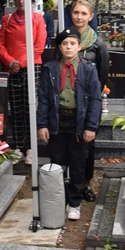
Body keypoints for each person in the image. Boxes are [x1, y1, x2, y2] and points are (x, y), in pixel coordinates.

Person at [37, 29, 103, 221]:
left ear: (79, 47)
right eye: (65, 43)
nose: (68, 47)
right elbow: (43, 99)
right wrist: (42, 124)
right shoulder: (50, 68)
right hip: (57, 121)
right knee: (57, 163)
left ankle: (74, 203)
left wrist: (91, 126)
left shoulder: (88, 68)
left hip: (79, 122)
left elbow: (95, 99)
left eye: (72, 43)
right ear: (59, 46)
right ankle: (58, 200)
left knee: (77, 163)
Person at [0, 0, 47, 165]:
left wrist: (22, 63)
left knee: (29, 107)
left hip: (32, 67)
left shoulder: (38, 19)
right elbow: (0, 44)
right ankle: (17, 145)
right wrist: (10, 62)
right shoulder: (7, 19)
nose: (21, 1)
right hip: (11, 68)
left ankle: (31, 147)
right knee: (15, 109)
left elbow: (39, 45)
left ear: (32, 1)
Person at [70, 0, 110, 202]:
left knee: (87, 145)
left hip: (88, 102)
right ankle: (70, 183)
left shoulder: (97, 44)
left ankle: (86, 183)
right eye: (76, 12)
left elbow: (102, 75)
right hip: (67, 101)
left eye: (83, 13)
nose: (79, 17)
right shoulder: (65, 39)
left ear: (90, 17)